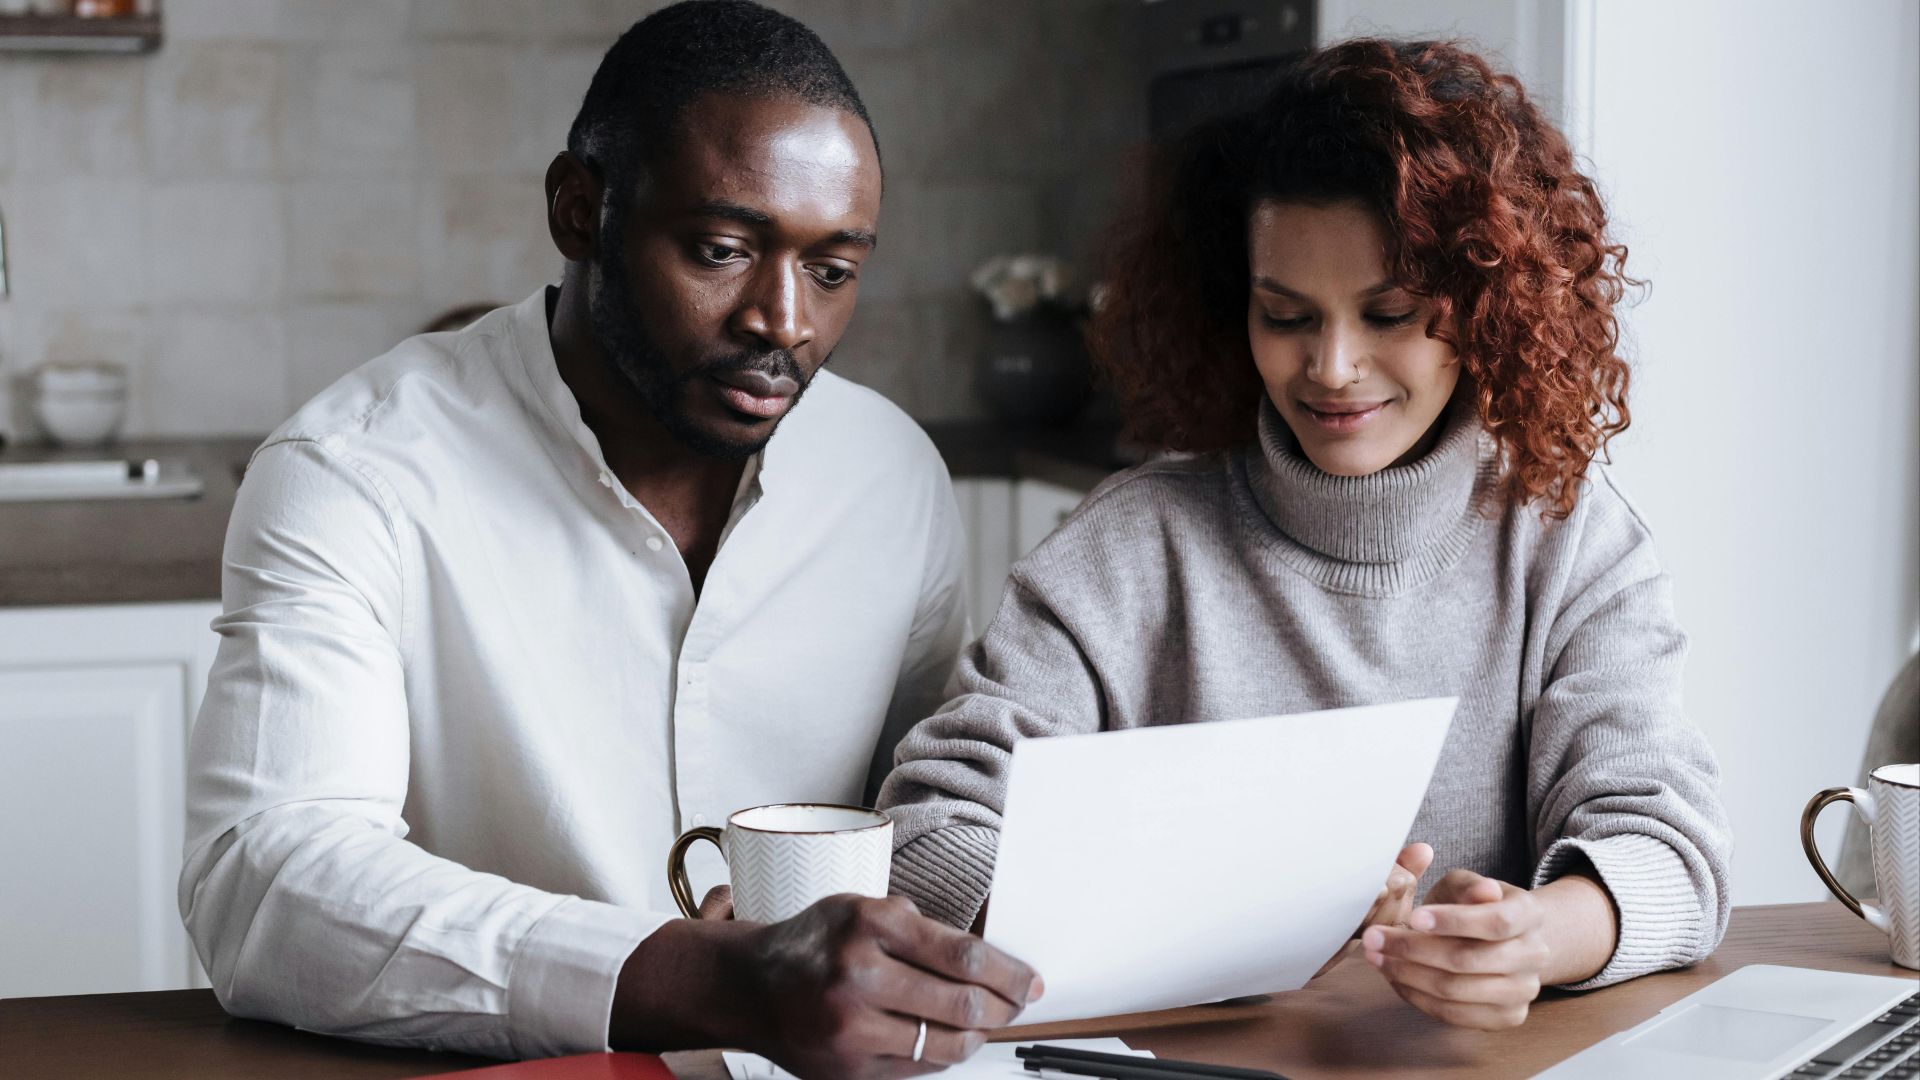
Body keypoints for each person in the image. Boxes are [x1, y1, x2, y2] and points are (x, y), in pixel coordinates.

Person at [179, 3, 1041, 1074]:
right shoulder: (352, 474)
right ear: (579, 210)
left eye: (832, 270)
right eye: (723, 250)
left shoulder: (891, 475)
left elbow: (918, 825)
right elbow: (263, 881)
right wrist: (707, 978)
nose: (784, 320)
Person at [878, 38, 1733, 1031]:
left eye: (1390, 313)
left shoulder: (1570, 541)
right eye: (1285, 315)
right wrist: (1227, 919)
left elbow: (1671, 849)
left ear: (1489, 304)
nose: (1331, 367)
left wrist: (1535, 938)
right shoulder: (1131, 549)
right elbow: (926, 829)